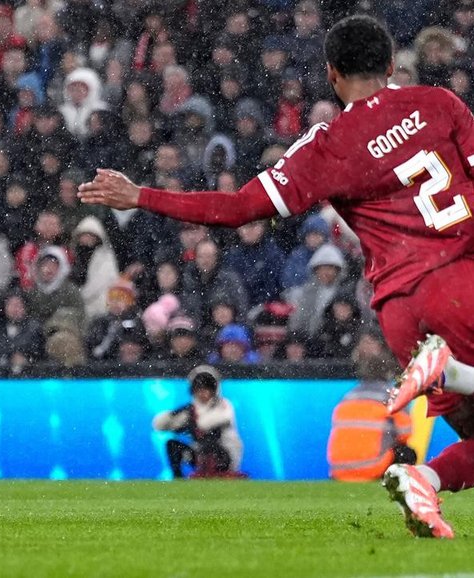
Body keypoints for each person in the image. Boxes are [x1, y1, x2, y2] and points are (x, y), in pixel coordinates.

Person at [78, 14, 473, 539]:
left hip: (401, 311)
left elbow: (238, 208)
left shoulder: (325, 146)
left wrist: (142, 195)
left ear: (331, 74)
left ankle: (424, 476)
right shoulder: (438, 104)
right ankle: (455, 373)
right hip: (461, 281)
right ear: (391, 64)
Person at [327, 330, 416, 482]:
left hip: (338, 470)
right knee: (407, 453)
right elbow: (405, 433)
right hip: (372, 468)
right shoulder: (391, 396)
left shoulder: (347, 397)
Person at [153, 365, 243, 479]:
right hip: (200, 455)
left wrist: (192, 416)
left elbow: (206, 424)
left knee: (210, 441)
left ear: (214, 390)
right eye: (198, 388)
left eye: (207, 388)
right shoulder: (190, 410)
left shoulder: (224, 404)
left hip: (225, 455)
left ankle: (214, 471)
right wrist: (174, 414)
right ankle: (178, 478)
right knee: (172, 445)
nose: (202, 393)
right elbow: (159, 425)